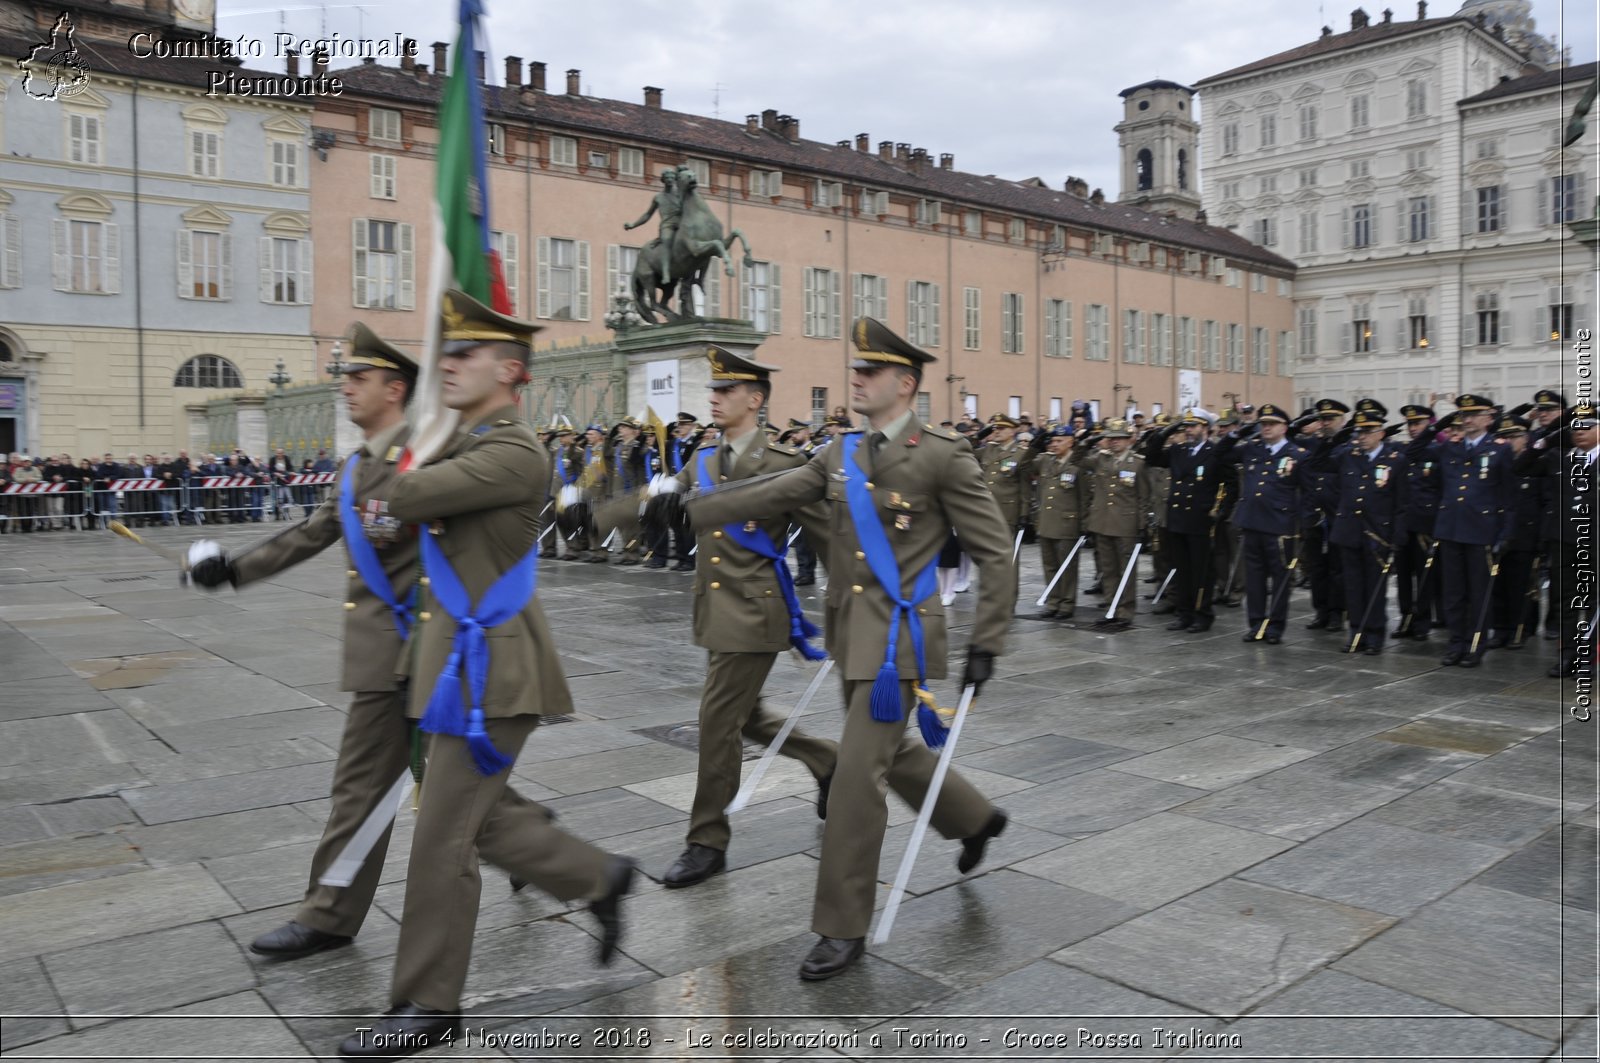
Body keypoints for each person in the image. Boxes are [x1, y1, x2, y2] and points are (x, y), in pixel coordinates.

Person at [335, 290, 634, 1059]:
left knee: (443, 837)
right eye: (448, 354)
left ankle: (430, 1003)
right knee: (477, 816)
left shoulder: (511, 450)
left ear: (509, 369)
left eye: (463, 355)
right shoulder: (467, 443)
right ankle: (597, 877)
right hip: (449, 663)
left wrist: (406, 445)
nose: (449, 365)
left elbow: (395, 494)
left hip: (489, 671)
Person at [684, 317, 1010, 982]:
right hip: (849, 630)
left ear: (906, 382)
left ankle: (841, 925)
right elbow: (778, 491)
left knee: (860, 779)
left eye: (869, 372)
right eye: (855, 370)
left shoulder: (941, 454)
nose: (855, 379)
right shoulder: (840, 452)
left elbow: (994, 549)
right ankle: (975, 817)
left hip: (901, 643)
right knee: (896, 752)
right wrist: (693, 507)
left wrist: (988, 639)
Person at [189, 323, 424, 962]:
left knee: (362, 788)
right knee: (456, 786)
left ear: (394, 387)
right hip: (386, 655)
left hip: (413, 654)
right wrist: (233, 569)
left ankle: (329, 915)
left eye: (358, 377)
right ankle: (579, 873)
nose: (344, 386)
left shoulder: (424, 461)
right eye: (345, 375)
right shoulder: (357, 467)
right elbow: (310, 534)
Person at [641, 346, 837, 889]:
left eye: (726, 391)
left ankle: (706, 840)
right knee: (746, 717)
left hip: (754, 613)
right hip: (713, 607)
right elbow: (659, 499)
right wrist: (591, 511)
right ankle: (827, 761)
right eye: (714, 390)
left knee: (717, 722)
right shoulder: (703, 459)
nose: (714, 398)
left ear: (755, 400)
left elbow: (830, 538)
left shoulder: (783, 465)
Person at [1407, 394, 1517, 668]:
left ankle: (1475, 644)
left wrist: (1505, 534)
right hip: (1450, 529)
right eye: (1463, 415)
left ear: (1488, 418)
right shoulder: (1449, 448)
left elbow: (1509, 497)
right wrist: (1435, 427)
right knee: (1453, 592)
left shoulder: (1499, 449)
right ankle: (1456, 642)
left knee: (1478, 592)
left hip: (1482, 531)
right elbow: (1413, 452)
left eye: (1473, 414)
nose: (1467, 420)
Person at [1308, 403, 1408, 654]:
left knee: (1375, 587)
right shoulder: (1347, 455)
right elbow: (1317, 463)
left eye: (1367, 432)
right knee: (1352, 587)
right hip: (1349, 531)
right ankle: (1356, 633)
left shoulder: (1395, 460)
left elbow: (1402, 502)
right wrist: (1335, 438)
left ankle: (1374, 635)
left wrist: (1397, 536)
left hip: (1378, 534)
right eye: (1358, 432)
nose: (1361, 437)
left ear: (1381, 433)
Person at [1219, 403, 1308, 644]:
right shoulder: (1252, 449)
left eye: (1272, 424)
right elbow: (1220, 454)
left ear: (1285, 427)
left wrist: (1299, 525)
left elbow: (1306, 492)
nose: (1266, 428)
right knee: (1255, 579)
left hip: (1280, 526)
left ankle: (1275, 627)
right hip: (1252, 523)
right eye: (1263, 424)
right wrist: (1238, 432)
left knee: (1280, 579)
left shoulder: (1297, 455)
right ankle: (1256, 624)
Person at [1142, 408, 1221, 633]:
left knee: (1201, 572)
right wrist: (1166, 431)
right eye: (1186, 426)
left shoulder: (1214, 452)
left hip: (1200, 520)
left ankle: (1202, 615)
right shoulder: (1178, 450)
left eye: (1193, 426)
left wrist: (1218, 510)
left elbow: (1229, 483)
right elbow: (1152, 456)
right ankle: (1184, 614)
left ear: (1205, 428)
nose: (1188, 431)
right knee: (1182, 570)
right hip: (1177, 519)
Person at [1072, 418, 1148, 630]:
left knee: (1126, 569)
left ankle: (1126, 610)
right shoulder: (1100, 459)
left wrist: (1142, 526)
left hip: (1126, 524)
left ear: (1129, 440)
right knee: (1108, 569)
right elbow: (1076, 460)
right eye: (1111, 438)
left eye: (1119, 439)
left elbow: (1143, 497)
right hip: (1102, 521)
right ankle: (1111, 606)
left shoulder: (1137, 463)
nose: (1114, 442)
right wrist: (1088, 441)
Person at [1392, 405, 1443, 640]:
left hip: (1425, 525)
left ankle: (1422, 621)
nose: (1413, 428)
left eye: (1418, 424)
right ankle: (1406, 618)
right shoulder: (1403, 452)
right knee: (1403, 576)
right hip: (1403, 524)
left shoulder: (1438, 452)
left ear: (1428, 425)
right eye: (1410, 424)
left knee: (1425, 576)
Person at [1033, 424, 1085, 620]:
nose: (1054, 444)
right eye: (1052, 441)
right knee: (1050, 565)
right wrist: (1040, 437)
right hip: (1046, 522)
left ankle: (1067, 603)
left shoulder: (1078, 463)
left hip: (1067, 523)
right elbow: (1026, 460)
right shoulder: (1046, 461)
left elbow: (1084, 496)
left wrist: (1083, 525)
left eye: (1059, 441)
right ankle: (1053, 601)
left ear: (1071, 441)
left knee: (1067, 567)